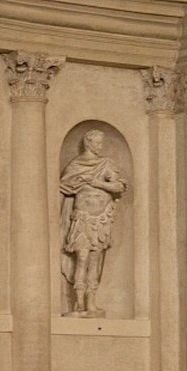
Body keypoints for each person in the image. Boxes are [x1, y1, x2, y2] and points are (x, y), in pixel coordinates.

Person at [59, 129, 128, 318]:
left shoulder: (105, 163)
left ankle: (91, 302)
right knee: (82, 259)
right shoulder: (75, 164)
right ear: (87, 143)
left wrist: (96, 183)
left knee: (95, 261)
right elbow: (64, 184)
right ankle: (79, 302)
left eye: (101, 143)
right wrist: (82, 181)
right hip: (83, 218)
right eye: (97, 143)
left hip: (101, 219)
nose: (100, 146)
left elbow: (119, 186)